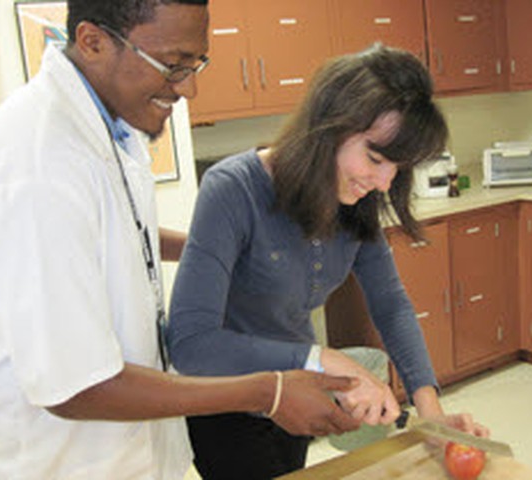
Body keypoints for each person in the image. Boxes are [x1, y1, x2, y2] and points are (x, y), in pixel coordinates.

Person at [0, 1, 363, 479]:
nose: (188, 87)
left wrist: (213, 250)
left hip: (128, 454)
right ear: (93, 42)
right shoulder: (36, 168)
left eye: (196, 64)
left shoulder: (110, 130)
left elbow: (116, 238)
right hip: (58, 461)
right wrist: (268, 391)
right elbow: (75, 387)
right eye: (173, 66)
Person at [168, 44, 491, 479]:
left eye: (396, 169)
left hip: (301, 395)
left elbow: (390, 304)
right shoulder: (233, 190)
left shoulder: (356, 201)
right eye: (375, 158)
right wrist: (323, 358)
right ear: (327, 127)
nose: (382, 183)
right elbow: (191, 344)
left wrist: (429, 409)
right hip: (225, 402)